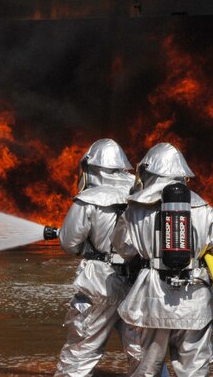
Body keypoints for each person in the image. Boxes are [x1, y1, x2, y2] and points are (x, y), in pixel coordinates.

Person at [113, 142, 213, 377]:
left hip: (150, 303)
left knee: (145, 371)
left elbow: (123, 248)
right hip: (194, 304)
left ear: (148, 172)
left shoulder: (135, 209)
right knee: (193, 372)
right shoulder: (203, 208)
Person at [54, 138, 136, 377]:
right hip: (140, 281)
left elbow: (69, 243)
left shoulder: (89, 199)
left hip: (100, 283)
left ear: (90, 167)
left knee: (82, 349)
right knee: (143, 352)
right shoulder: (144, 193)